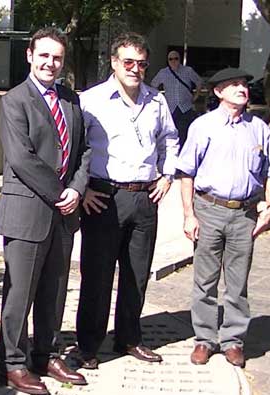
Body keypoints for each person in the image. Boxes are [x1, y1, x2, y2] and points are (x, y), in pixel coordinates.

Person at [0, 27, 91, 395]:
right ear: (30, 55)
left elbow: (83, 151)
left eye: (57, 57)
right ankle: (12, 364)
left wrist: (77, 189)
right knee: (19, 296)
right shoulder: (14, 100)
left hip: (64, 214)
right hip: (28, 211)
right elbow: (21, 158)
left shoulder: (71, 100)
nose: (51, 63)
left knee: (54, 291)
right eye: (44, 55)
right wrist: (59, 192)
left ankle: (45, 353)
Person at [76, 32, 179, 369]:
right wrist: (83, 189)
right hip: (104, 197)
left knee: (137, 274)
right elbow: (75, 149)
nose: (135, 69)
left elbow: (171, 140)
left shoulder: (157, 101)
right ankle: (89, 346)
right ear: (114, 63)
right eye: (128, 62)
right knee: (97, 276)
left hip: (145, 196)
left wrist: (167, 175)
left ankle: (129, 338)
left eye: (142, 63)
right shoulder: (90, 100)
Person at [177, 68, 270, 367]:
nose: (243, 89)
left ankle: (233, 340)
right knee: (205, 281)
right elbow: (186, 172)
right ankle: (205, 339)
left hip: (244, 214)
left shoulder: (258, 128)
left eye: (244, 85)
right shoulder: (203, 127)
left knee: (238, 283)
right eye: (234, 85)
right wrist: (189, 215)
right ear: (218, 92)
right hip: (209, 210)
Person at [151, 50, 203, 146]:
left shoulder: (188, 71)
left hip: (186, 107)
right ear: (168, 61)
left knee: (185, 134)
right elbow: (153, 85)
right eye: (171, 59)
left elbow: (199, 82)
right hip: (170, 108)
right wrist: (160, 99)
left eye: (176, 58)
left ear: (179, 59)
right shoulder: (163, 72)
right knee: (170, 133)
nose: (173, 61)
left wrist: (196, 96)